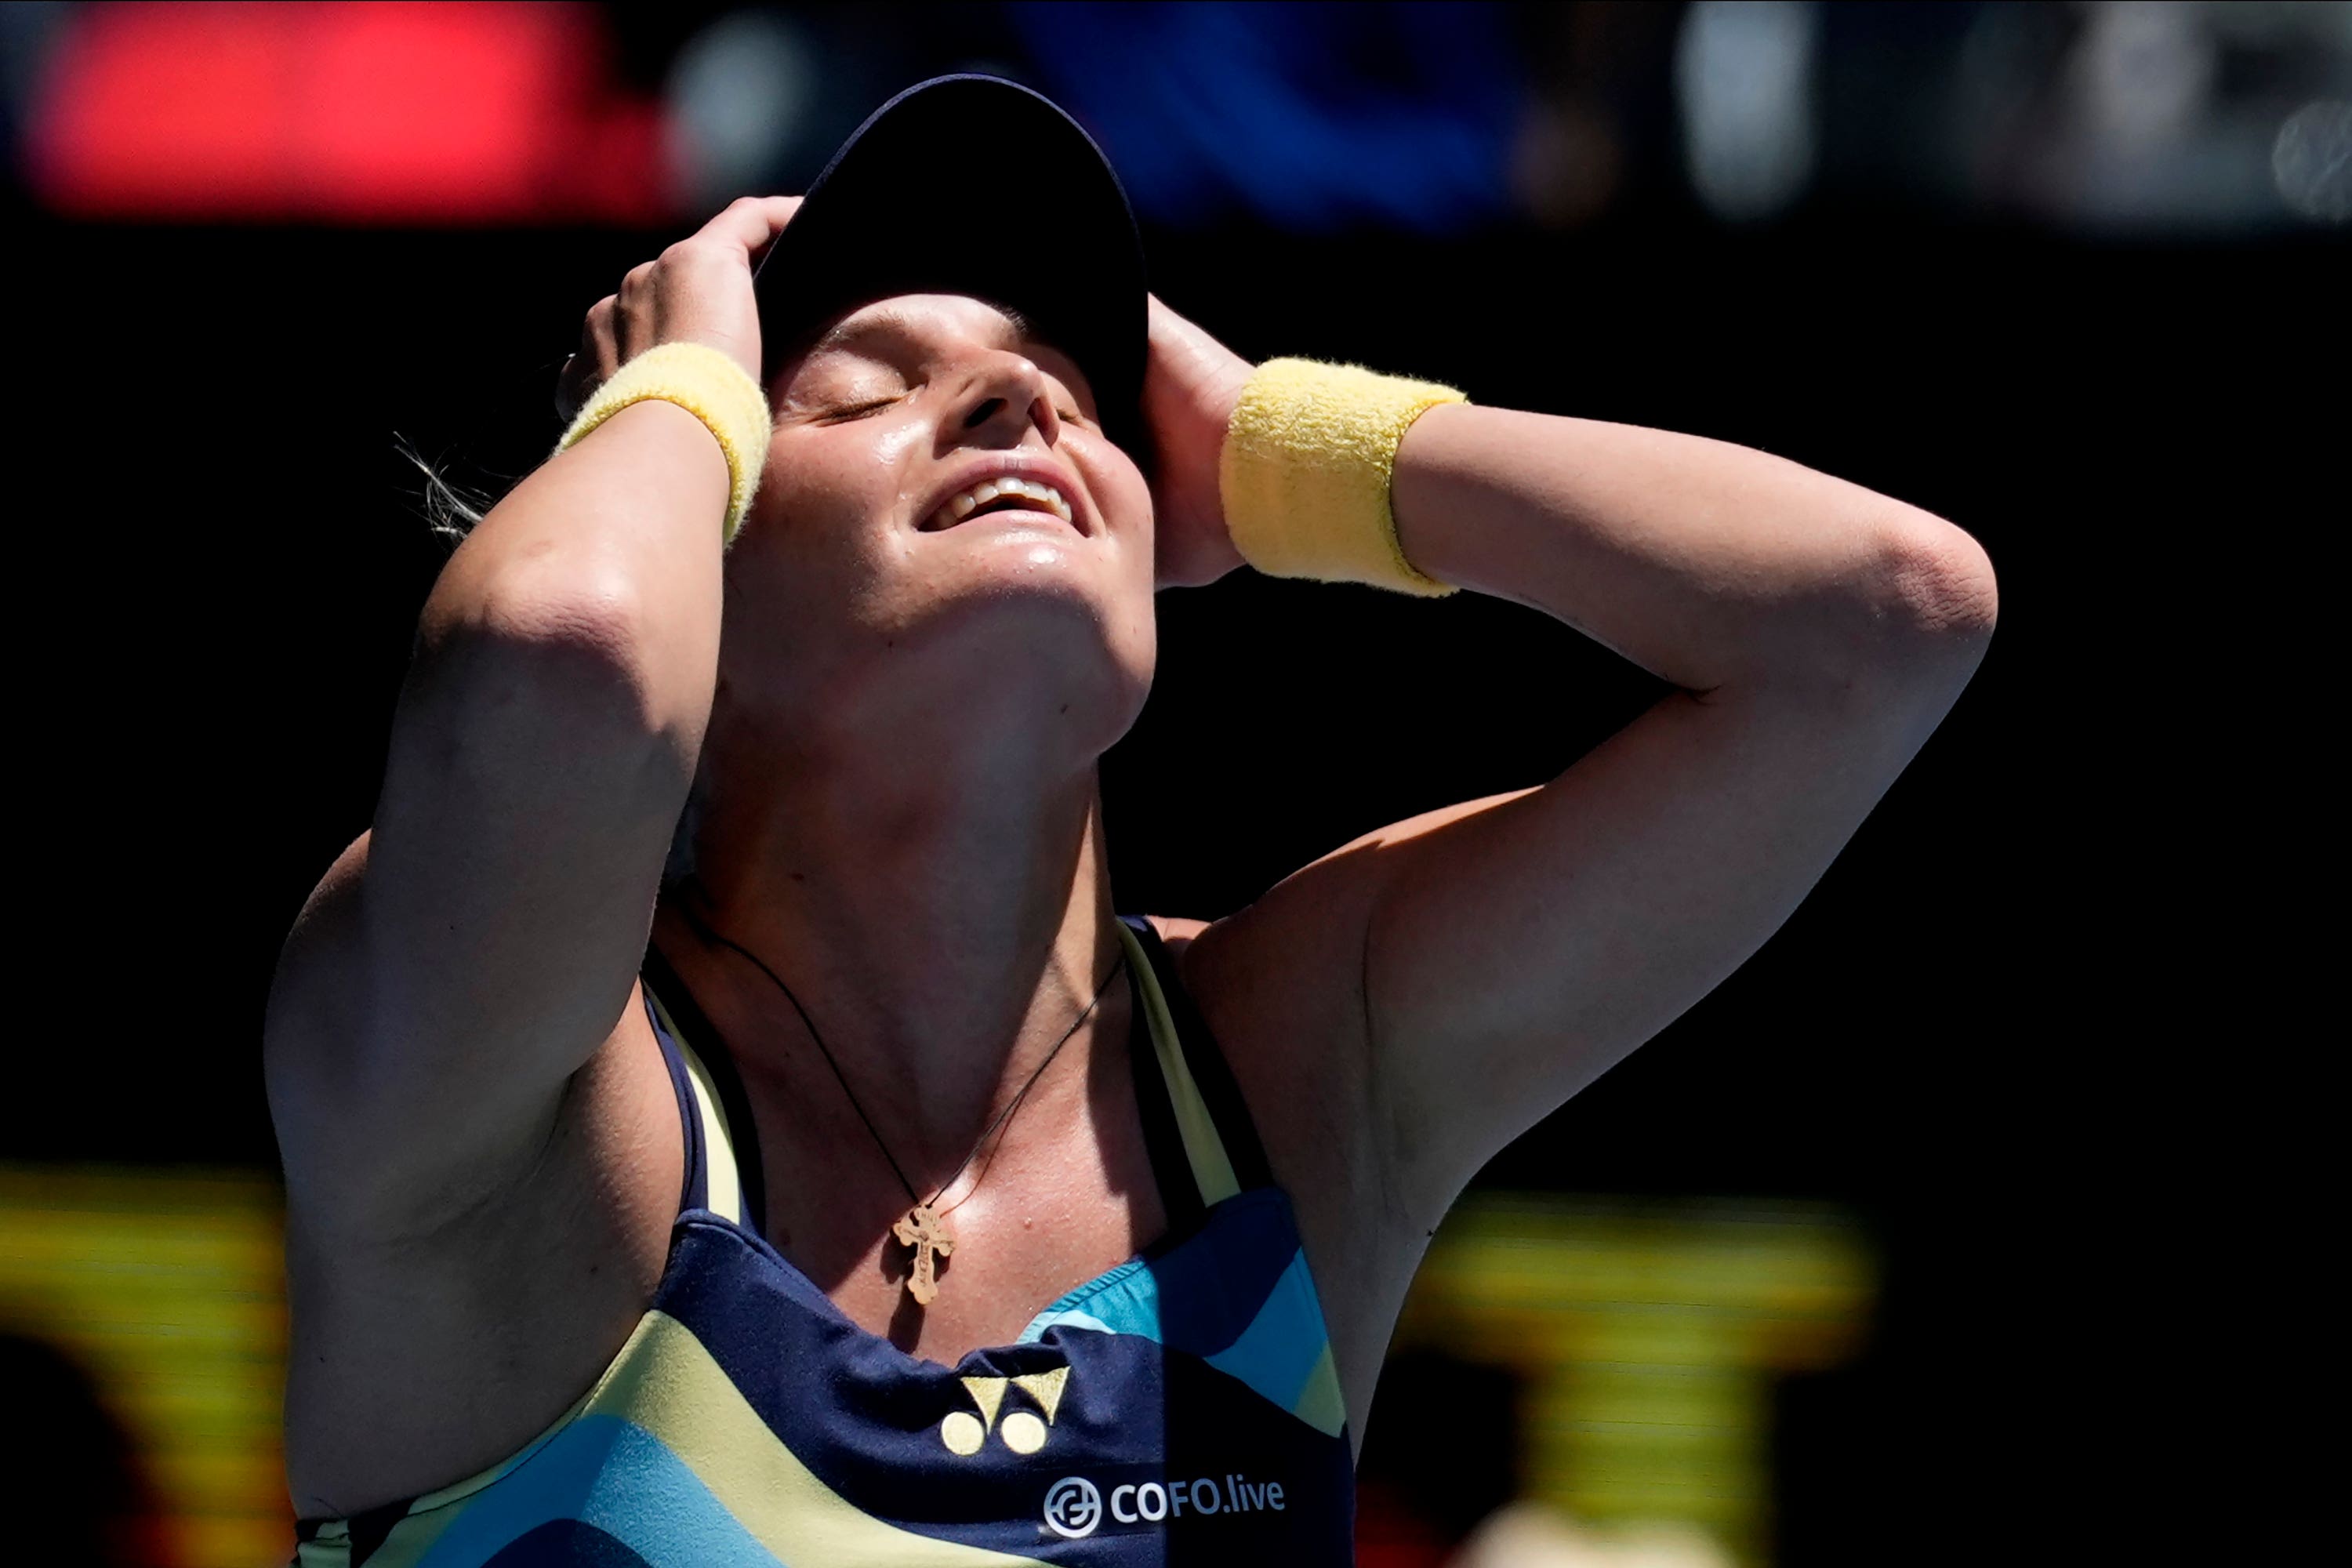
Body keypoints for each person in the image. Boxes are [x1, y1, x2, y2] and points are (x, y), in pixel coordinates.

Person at [265, 77, 1994, 1566]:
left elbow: (1882, 622)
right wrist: (668, 383)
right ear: (694, 525)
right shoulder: (543, 1094)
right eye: (867, 384)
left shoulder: (1295, 1072)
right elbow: (560, 649)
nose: (1024, 403)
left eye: (1079, 393)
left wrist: (1272, 440)